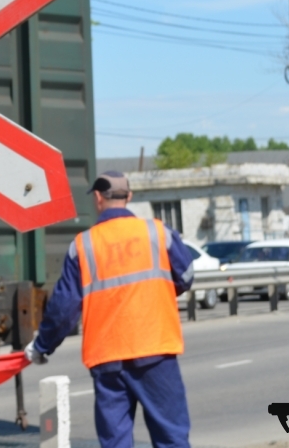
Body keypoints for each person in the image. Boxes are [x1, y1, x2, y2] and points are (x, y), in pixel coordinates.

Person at [25, 170, 194, 448]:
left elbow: (64, 309)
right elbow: (186, 276)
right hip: (155, 350)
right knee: (171, 439)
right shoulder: (157, 232)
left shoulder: (83, 245)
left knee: (115, 443)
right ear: (129, 196)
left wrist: (42, 346)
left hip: (107, 358)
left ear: (97, 198)